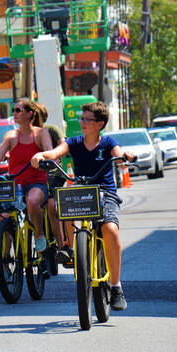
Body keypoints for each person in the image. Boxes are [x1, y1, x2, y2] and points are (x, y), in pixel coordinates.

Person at [30, 101, 135, 311]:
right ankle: (67, 247)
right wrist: (41, 155)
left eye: (88, 119)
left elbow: (119, 156)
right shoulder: (75, 142)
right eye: (82, 118)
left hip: (105, 194)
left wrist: (125, 157)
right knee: (64, 202)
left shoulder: (107, 143)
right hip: (82, 192)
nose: (83, 122)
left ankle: (116, 287)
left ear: (100, 124)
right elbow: (57, 152)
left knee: (110, 229)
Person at [0, 98, 53, 252]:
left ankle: (39, 235)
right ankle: (5, 260)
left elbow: (50, 152)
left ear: (29, 114)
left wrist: (47, 160)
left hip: (36, 182)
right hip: (15, 184)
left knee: (32, 201)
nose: (14, 113)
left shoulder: (41, 133)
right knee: (4, 216)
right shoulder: (11, 135)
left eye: (18, 110)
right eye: (13, 110)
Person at [33, 102, 71, 264]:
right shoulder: (23, 133)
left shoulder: (51, 129)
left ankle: (63, 248)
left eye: (35, 114)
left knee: (52, 205)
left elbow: (63, 143)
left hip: (53, 173)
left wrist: (58, 151)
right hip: (33, 175)